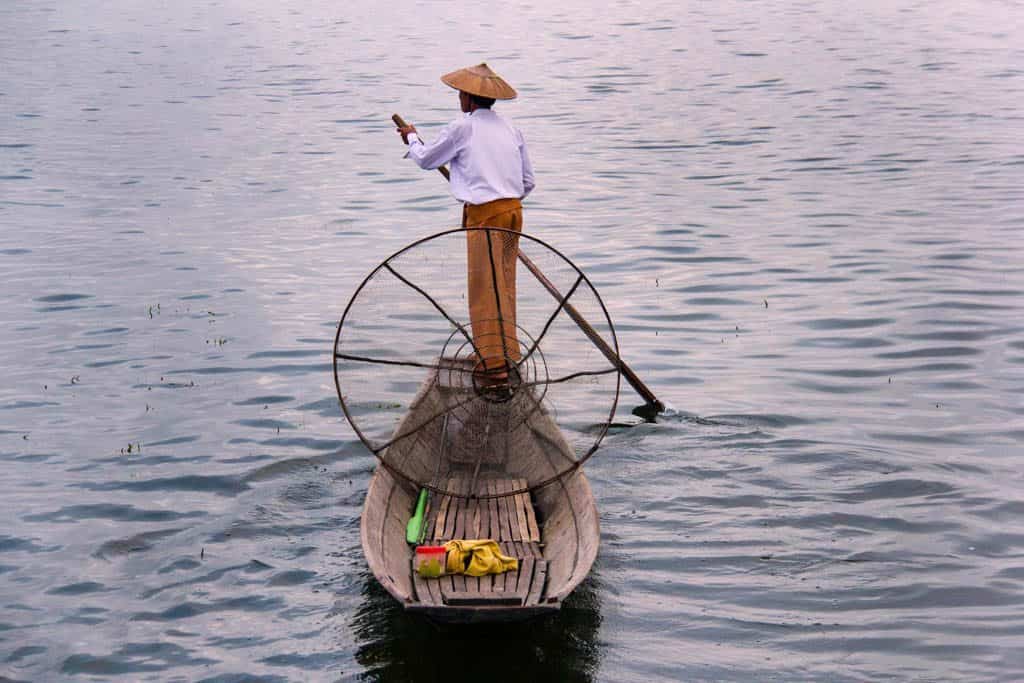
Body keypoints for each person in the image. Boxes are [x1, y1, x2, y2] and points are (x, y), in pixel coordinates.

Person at [397, 63, 534, 387]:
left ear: (470, 99)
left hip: (485, 215)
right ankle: (501, 351)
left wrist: (412, 138)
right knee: (504, 284)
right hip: (513, 211)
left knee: (485, 288)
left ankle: (494, 366)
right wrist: (503, 192)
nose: (459, 98)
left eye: (461, 94)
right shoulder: (511, 129)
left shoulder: (463, 127)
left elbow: (427, 160)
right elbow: (528, 181)